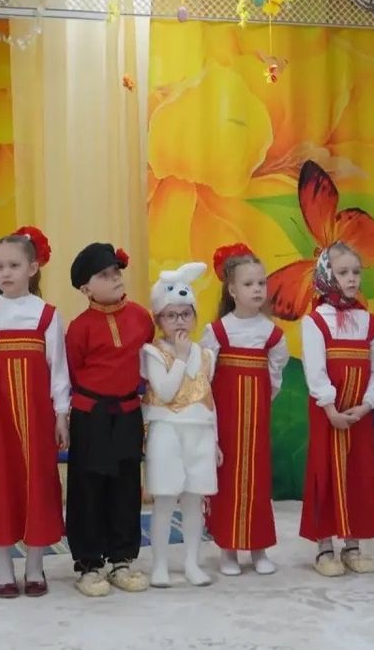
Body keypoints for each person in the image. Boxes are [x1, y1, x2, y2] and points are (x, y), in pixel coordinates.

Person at [0, 228, 68, 598]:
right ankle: (4, 570)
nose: (5, 273)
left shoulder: (47, 316)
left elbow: (58, 370)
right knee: (2, 487)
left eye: (14, 265)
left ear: (32, 268)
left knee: (39, 484)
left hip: (38, 419)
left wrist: (61, 414)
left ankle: (35, 567)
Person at [64, 242, 155, 597]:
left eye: (116, 271)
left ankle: (122, 559)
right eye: (103, 274)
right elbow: (73, 370)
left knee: (126, 486)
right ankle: (88, 564)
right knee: (88, 488)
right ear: (86, 289)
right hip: (91, 415)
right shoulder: (79, 328)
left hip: (128, 413)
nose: (115, 278)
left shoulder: (141, 318)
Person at [299, 242, 374, 577]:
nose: (351, 279)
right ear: (326, 275)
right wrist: (331, 409)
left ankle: (352, 545)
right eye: (342, 272)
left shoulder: (370, 322)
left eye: (356, 272)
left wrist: (367, 404)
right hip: (329, 415)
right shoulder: (315, 321)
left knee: (358, 474)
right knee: (325, 472)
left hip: (359, 415)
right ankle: (324, 547)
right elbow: (315, 368)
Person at [200, 244, 288, 576]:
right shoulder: (218, 332)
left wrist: (259, 402)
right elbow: (205, 379)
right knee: (228, 482)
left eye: (261, 283)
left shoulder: (272, 335)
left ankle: (259, 548)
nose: (257, 289)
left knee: (258, 482)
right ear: (232, 290)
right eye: (249, 284)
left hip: (257, 423)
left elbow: (274, 377)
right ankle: (228, 550)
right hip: (227, 422)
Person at [142, 262, 218, 588]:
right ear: (159, 320)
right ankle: (159, 564)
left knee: (193, 501)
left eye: (186, 314)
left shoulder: (207, 355)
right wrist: (183, 357)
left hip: (199, 432)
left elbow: (209, 399)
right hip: (166, 431)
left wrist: (216, 441)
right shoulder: (152, 352)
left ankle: (192, 562)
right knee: (164, 499)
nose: (179, 321)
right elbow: (166, 391)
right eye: (171, 315)